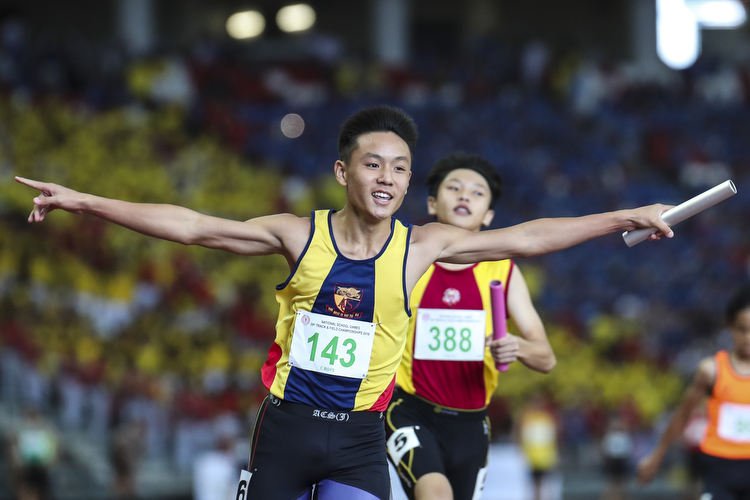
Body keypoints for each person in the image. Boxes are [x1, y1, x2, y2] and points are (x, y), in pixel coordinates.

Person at [16, 105, 674, 500]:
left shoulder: (423, 246)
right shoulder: (296, 235)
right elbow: (192, 225)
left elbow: (527, 239)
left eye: (400, 169)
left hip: (361, 438)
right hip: (285, 430)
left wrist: (624, 214)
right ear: (343, 172)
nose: (387, 178)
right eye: (373, 165)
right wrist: (85, 201)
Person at [384, 152, 555, 500]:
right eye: (454, 188)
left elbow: (546, 358)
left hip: (472, 423)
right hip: (409, 408)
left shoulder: (504, 272)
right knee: (435, 494)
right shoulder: (405, 259)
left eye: (478, 193)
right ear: (432, 203)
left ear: (489, 215)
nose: (465, 196)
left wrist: (517, 346)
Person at [637, 284, 750, 500]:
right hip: (720, 467)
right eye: (742, 329)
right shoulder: (712, 370)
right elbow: (682, 415)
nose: (748, 337)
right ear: (729, 327)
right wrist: (656, 456)